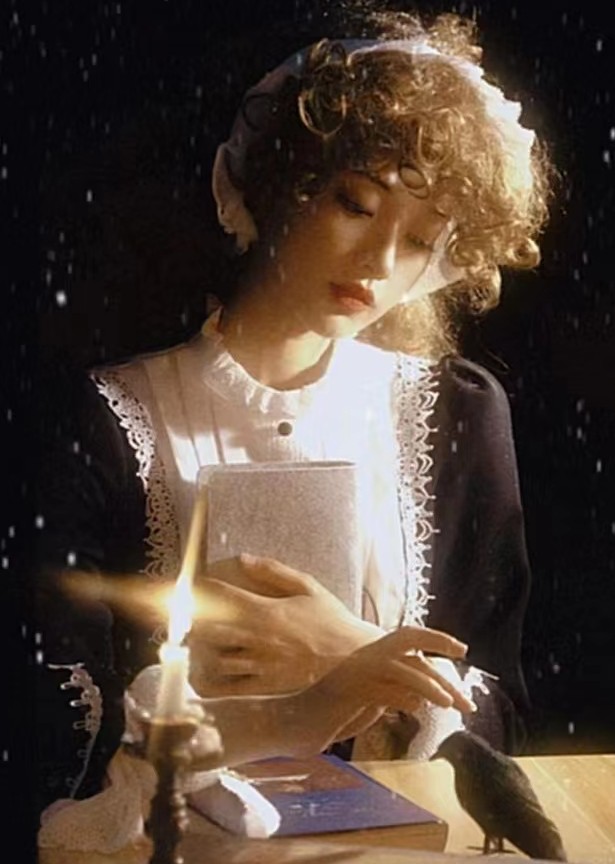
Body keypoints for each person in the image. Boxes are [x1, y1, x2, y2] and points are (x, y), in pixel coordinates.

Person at [34, 7, 552, 834]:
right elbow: (47, 747)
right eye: (355, 204)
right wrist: (284, 711)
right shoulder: (105, 420)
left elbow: (500, 725)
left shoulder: (456, 412)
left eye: (420, 240)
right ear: (280, 180)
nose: (379, 261)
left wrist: (347, 652)